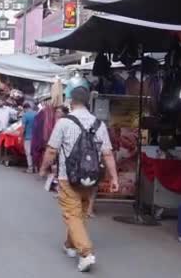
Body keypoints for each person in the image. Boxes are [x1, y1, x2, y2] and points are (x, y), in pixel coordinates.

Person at [39, 87, 118, 273]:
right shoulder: (99, 124)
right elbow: (107, 154)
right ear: (88, 101)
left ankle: (85, 253)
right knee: (80, 212)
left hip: (68, 177)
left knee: (72, 214)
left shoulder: (64, 123)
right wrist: (114, 177)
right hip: (90, 177)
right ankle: (70, 245)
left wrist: (43, 169)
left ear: (71, 101)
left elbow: (51, 150)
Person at [21, 103, 37, 173]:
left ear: (25, 108)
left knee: (28, 153)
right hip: (36, 137)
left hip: (28, 137)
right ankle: (36, 168)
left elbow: (23, 127)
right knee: (35, 152)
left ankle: (30, 168)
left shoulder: (25, 115)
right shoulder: (37, 114)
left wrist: (20, 135)